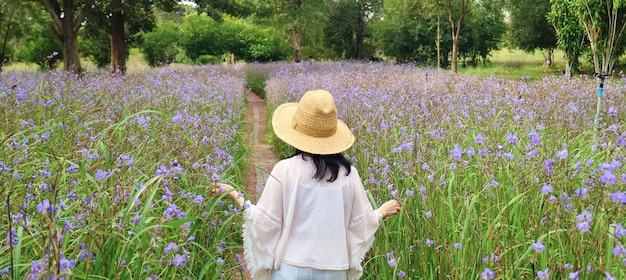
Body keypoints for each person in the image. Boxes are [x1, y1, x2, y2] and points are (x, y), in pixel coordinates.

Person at [213, 89, 401, 280]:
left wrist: (235, 194)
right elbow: (360, 224)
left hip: (291, 269)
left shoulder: (285, 169)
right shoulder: (348, 174)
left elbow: (264, 221)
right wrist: (381, 212)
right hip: (335, 269)